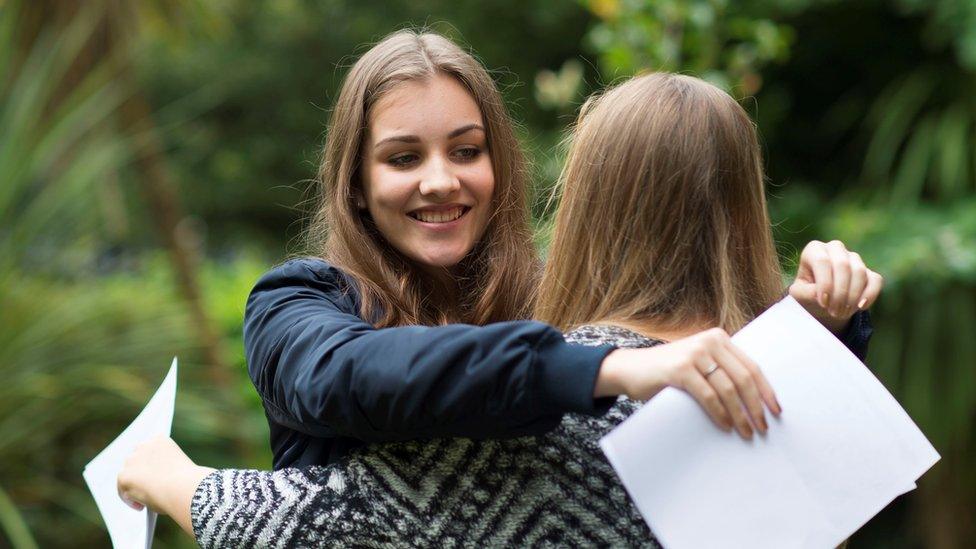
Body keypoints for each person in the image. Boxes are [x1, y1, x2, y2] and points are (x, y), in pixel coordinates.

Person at [118, 35, 881, 545]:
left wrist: (816, 322)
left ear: (503, 162)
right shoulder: (299, 305)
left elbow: (725, 424)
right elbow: (357, 377)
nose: (441, 180)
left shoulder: (563, 299)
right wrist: (600, 370)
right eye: (402, 157)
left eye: (467, 150)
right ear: (353, 179)